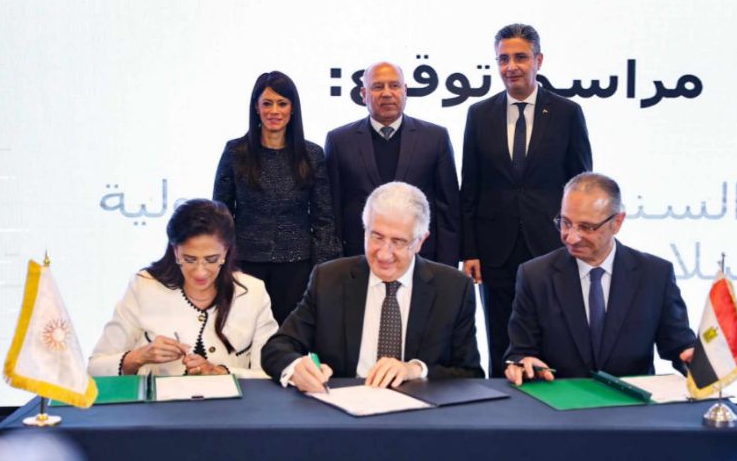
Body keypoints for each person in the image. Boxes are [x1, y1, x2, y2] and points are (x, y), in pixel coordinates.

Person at [460, 23, 593, 377]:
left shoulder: (567, 113)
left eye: (520, 57)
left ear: (539, 60)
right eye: (503, 59)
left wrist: (578, 238)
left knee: (555, 337)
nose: (511, 67)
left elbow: (581, 186)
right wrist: (469, 251)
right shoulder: (479, 114)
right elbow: (469, 189)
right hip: (495, 250)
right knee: (500, 339)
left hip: (552, 245)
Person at [262, 182, 482, 392]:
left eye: (398, 242)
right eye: (376, 237)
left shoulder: (453, 288)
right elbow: (277, 347)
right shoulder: (329, 279)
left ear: (420, 242)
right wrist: (296, 367)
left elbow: (470, 374)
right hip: (344, 407)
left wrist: (417, 370)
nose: (384, 254)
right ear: (364, 230)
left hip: (421, 411)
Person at [504, 173, 695, 385]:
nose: (571, 237)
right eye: (565, 223)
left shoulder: (655, 274)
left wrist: (695, 359)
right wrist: (522, 363)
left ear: (617, 223)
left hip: (631, 401)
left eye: (586, 227)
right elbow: (520, 352)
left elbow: (680, 346)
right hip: (561, 400)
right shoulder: (535, 275)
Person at [89, 199, 279, 378]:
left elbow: (270, 375)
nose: (200, 272)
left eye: (211, 259)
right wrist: (139, 357)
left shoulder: (253, 292)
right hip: (159, 403)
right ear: (175, 251)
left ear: (226, 252)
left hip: (234, 404)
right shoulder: (144, 286)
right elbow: (95, 368)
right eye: (189, 259)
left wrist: (221, 372)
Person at [213, 71, 341, 325]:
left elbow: (324, 219)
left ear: (292, 109)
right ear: (256, 107)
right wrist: (221, 263)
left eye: (282, 103)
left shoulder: (312, 154)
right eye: (267, 103)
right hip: (244, 264)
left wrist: (323, 272)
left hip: (297, 267)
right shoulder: (235, 152)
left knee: (290, 335)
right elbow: (221, 214)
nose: (274, 111)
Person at [325, 62, 460, 267]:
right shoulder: (339, 141)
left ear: (405, 91)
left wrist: (447, 269)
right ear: (363, 94)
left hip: (421, 260)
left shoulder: (435, 138)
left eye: (394, 86)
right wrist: (336, 267)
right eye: (378, 87)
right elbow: (333, 211)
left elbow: (448, 210)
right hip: (358, 261)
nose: (387, 93)